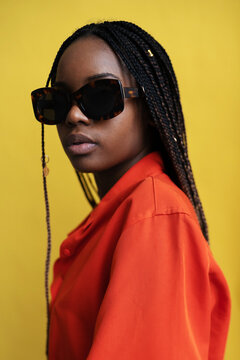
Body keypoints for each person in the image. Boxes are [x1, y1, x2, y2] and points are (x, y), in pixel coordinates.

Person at [31, 20, 231, 360]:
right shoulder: (126, 213)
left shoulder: (154, 216)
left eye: (99, 95)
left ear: (150, 109)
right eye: (59, 100)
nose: (74, 116)